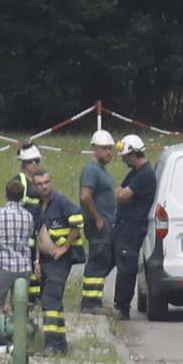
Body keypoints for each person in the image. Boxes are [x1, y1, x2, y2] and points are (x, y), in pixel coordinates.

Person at [33, 169, 85, 355]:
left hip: (60, 260)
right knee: (53, 302)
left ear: (51, 182)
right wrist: (37, 261)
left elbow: (78, 221)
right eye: (40, 184)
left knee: (50, 300)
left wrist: (64, 248)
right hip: (45, 260)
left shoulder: (60, 201)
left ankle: (52, 345)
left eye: (47, 182)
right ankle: (61, 343)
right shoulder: (38, 205)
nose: (44, 186)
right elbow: (38, 234)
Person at [112, 134, 156, 320]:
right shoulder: (135, 173)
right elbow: (120, 192)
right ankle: (118, 303)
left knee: (126, 267)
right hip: (124, 225)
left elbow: (122, 195)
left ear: (133, 154)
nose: (123, 160)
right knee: (119, 262)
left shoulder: (144, 175)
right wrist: (123, 193)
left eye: (125, 156)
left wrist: (123, 194)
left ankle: (122, 307)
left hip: (133, 227)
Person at [0, 179, 34, 342]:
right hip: (24, 265)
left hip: (5, 265)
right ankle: (18, 337)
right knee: (19, 305)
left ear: (5, 194)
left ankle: (0, 333)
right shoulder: (28, 216)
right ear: (22, 197)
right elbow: (29, 237)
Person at [79, 130, 117, 313]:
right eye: (104, 148)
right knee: (97, 261)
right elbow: (85, 196)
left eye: (110, 149)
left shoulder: (101, 170)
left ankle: (95, 299)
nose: (109, 152)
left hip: (107, 223)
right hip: (98, 224)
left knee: (104, 260)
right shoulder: (91, 170)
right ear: (94, 149)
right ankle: (90, 303)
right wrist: (98, 217)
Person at [13, 142, 43, 305]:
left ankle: (34, 295)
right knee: (26, 260)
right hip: (23, 230)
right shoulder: (20, 181)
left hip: (36, 228)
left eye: (37, 161)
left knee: (34, 260)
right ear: (24, 163)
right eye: (31, 161)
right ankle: (25, 296)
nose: (35, 164)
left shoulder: (36, 180)